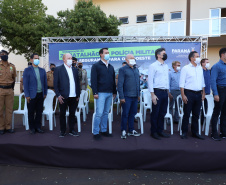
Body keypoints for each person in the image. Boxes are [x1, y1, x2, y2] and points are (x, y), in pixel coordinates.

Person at [91, 48, 117, 140]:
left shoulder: (111, 66)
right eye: (106, 53)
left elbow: (113, 81)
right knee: (99, 113)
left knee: (106, 113)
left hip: (110, 93)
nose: (108, 54)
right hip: (100, 93)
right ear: (101, 54)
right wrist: (95, 92)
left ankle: (103, 130)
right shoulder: (96, 65)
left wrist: (114, 91)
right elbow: (93, 80)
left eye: (108, 53)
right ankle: (96, 132)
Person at [179, 51, 205, 140]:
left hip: (198, 94)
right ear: (191, 58)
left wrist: (203, 93)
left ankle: (195, 132)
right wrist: (183, 95)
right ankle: (184, 132)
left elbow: (202, 82)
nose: (199, 58)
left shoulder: (200, 68)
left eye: (199, 56)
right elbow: (181, 83)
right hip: (189, 93)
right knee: (186, 114)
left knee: (196, 114)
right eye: (197, 56)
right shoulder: (185, 68)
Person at [54, 53, 80, 137]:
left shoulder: (75, 70)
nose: (71, 60)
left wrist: (78, 94)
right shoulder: (58, 69)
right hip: (63, 96)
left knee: (72, 114)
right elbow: (55, 84)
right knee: (62, 114)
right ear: (64, 59)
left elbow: (77, 83)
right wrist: (58, 95)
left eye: (71, 58)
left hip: (74, 96)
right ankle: (62, 130)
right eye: (68, 58)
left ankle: (72, 130)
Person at [148, 48, 170, 140]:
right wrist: (153, 95)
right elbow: (150, 81)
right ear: (158, 55)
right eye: (163, 53)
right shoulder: (153, 66)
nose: (165, 55)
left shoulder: (166, 66)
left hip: (165, 92)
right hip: (157, 92)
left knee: (163, 113)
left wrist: (168, 92)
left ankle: (160, 131)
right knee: (155, 113)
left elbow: (166, 81)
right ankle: (154, 132)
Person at [23, 53, 48, 134]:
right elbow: (25, 84)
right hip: (31, 95)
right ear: (31, 60)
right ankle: (32, 128)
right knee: (31, 112)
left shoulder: (42, 70)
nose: (37, 60)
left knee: (39, 112)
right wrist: (27, 95)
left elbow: (45, 83)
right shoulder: (27, 70)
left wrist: (45, 93)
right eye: (35, 58)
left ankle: (38, 127)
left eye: (38, 58)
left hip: (41, 94)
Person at [118, 54, 140, 139]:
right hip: (126, 96)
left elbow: (138, 83)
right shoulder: (122, 69)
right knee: (125, 114)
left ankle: (131, 130)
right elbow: (120, 84)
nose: (133, 59)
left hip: (135, 96)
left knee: (133, 114)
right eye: (131, 58)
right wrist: (121, 97)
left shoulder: (136, 69)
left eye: (134, 58)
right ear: (126, 60)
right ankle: (123, 130)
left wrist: (138, 94)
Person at [210, 48, 226, 141]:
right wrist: (215, 94)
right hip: (220, 90)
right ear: (223, 55)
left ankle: (223, 132)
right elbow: (213, 81)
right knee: (217, 112)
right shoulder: (216, 66)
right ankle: (214, 133)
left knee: (225, 113)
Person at [0, 50, 17, 135]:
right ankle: (1, 127)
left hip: (9, 90)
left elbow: (14, 78)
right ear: (0, 56)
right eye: (2, 54)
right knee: (0, 110)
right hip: (0, 90)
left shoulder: (12, 66)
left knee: (9, 109)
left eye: (5, 54)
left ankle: (8, 126)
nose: (4, 56)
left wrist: (12, 88)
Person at [200, 58, 211, 125]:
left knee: (206, 108)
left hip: (208, 92)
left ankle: (204, 122)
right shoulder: (199, 71)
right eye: (207, 62)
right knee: (200, 108)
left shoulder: (209, 71)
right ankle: (200, 122)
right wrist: (201, 92)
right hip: (201, 93)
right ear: (202, 63)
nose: (208, 63)